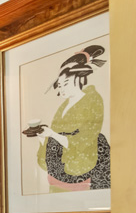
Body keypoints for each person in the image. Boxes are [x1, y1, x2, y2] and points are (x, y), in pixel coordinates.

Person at [36, 45, 109, 191]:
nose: (62, 89)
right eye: (60, 86)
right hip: (58, 167)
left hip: (82, 165)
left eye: (66, 84)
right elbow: (55, 135)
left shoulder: (93, 100)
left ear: (79, 78)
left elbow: (86, 138)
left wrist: (53, 135)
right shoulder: (64, 106)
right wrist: (43, 138)